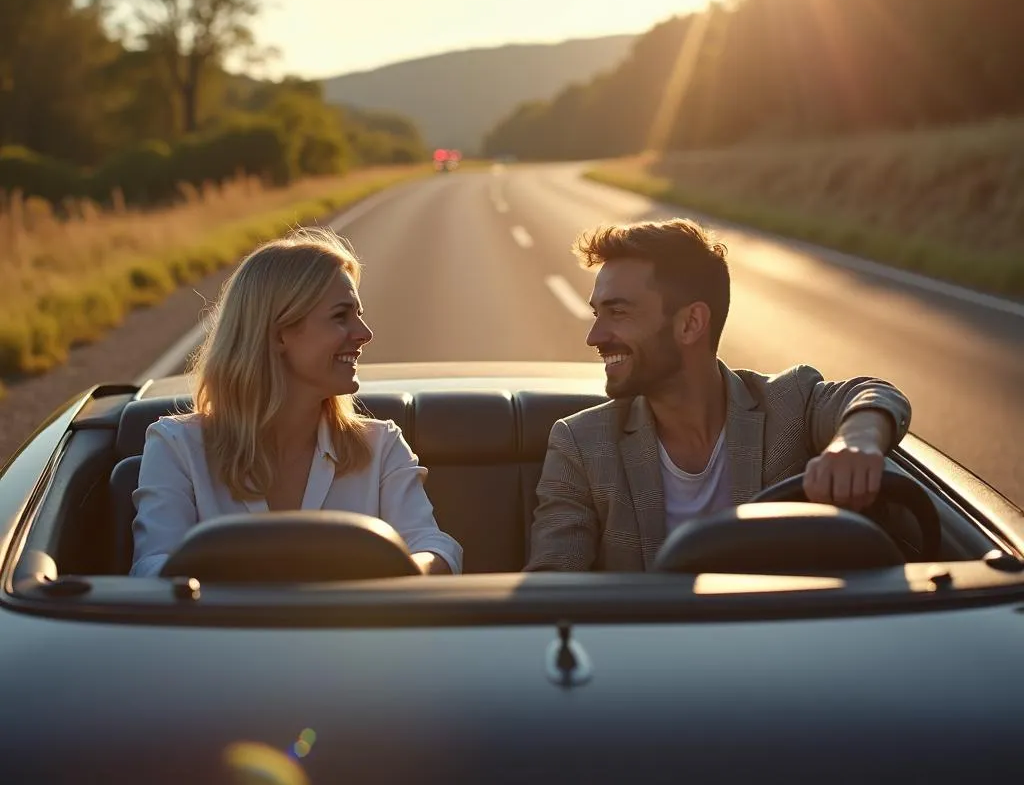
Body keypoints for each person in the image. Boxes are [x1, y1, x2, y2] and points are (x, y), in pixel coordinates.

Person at [526, 218, 911, 572]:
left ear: (691, 323)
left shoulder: (789, 402)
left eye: (619, 313)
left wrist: (856, 442)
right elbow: (552, 586)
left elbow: (872, 393)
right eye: (597, 314)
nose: (594, 337)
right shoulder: (581, 444)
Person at [130, 226, 462, 577]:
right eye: (340, 316)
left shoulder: (380, 446)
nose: (364, 333)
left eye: (358, 314)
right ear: (278, 334)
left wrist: (400, 571)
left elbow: (435, 547)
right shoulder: (177, 447)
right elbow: (152, 570)